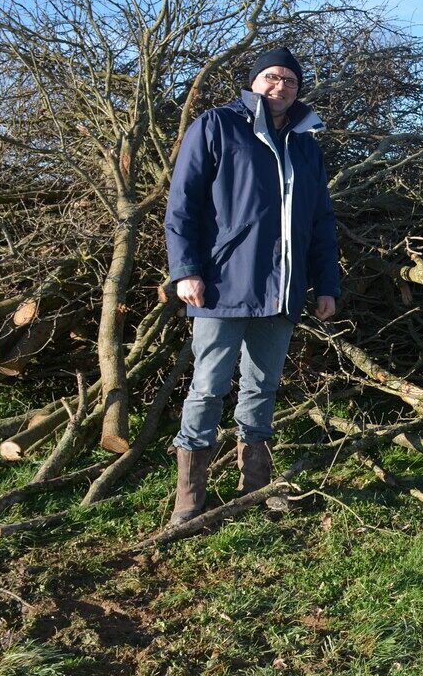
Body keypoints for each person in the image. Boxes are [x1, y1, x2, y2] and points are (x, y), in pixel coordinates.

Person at [163, 46, 340, 526]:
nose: (280, 86)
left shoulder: (305, 143)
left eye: (290, 80)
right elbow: (182, 205)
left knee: (262, 387)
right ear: (254, 81)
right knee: (207, 387)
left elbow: (321, 220)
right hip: (221, 286)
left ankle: (254, 486)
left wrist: (326, 283)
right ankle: (188, 500)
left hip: (283, 289)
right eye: (272, 76)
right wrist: (186, 271)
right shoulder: (218, 126)